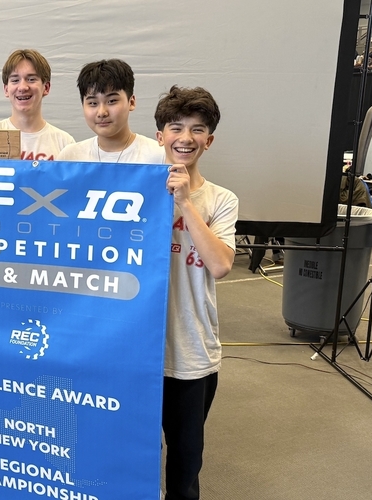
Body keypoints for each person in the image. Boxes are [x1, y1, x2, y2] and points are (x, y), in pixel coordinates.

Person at [154, 85, 238, 500]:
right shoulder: (134, 190)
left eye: (197, 129)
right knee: (130, 453)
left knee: (185, 464)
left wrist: (186, 203)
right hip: (136, 353)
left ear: (209, 140)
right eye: (176, 127)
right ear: (160, 136)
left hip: (191, 353)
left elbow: (220, 265)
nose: (185, 138)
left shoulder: (221, 199)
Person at [0, 49, 75, 160]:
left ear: (46, 88)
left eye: (31, 79)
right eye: (15, 80)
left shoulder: (65, 143)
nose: (22, 87)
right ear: (6, 89)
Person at [55, 58, 165, 163]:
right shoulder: (69, 157)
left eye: (112, 101)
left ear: (131, 102)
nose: (102, 112)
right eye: (93, 103)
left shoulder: (159, 156)